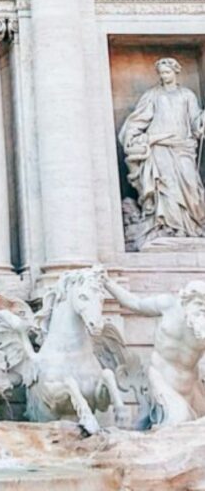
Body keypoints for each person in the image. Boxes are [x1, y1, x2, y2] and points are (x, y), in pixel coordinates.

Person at [119, 57, 205, 246]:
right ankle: (169, 228)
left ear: (176, 72)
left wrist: (202, 123)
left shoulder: (187, 95)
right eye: (161, 73)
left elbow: (196, 122)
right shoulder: (152, 95)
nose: (164, 76)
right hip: (159, 146)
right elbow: (138, 120)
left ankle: (192, 226)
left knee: (190, 184)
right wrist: (134, 137)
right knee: (166, 187)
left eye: (167, 72)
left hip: (183, 147)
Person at [104, 274, 205, 425]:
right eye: (199, 303)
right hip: (161, 380)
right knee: (180, 421)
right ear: (186, 301)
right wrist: (107, 283)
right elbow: (135, 303)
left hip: (192, 387)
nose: (202, 309)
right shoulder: (168, 305)